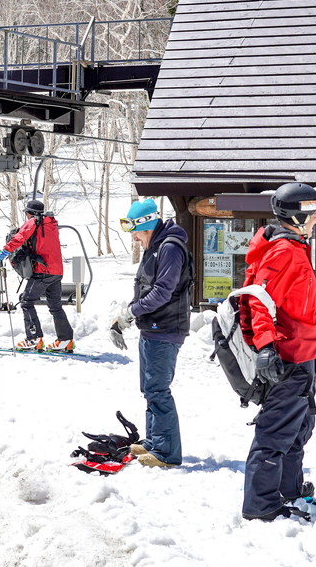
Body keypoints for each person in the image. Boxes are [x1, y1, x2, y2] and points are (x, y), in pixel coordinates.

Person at [239, 182, 316, 522]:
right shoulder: (284, 252)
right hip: (287, 357)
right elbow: (259, 299)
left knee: (299, 427)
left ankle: (289, 490)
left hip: (301, 355)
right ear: (300, 215)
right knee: (275, 433)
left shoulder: (294, 246)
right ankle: (261, 506)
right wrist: (265, 347)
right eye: (315, 213)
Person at [109, 198, 193, 469]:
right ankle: (156, 442)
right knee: (149, 389)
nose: (133, 236)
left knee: (158, 389)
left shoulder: (169, 248)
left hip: (166, 327)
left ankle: (167, 453)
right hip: (152, 326)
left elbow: (162, 292)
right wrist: (130, 315)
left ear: (146, 224)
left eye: (134, 229)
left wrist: (131, 312)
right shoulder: (154, 246)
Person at [0, 198, 72, 352]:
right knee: (55, 307)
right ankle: (65, 340)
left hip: (43, 271)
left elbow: (20, 237)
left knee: (26, 301)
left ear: (30, 213)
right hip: (56, 271)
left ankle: (34, 338)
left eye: (27, 213)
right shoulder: (51, 223)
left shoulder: (34, 222)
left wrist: (6, 250)